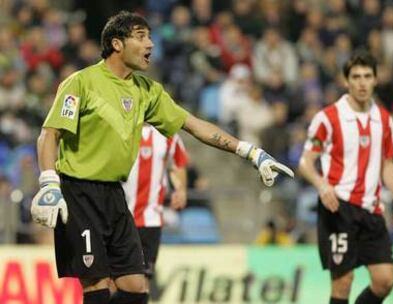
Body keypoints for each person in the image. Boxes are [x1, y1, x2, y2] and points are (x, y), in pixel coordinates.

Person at [29, 11, 294, 304]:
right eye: (141, 37)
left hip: (114, 196)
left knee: (135, 286)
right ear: (117, 44)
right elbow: (49, 134)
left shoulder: (147, 91)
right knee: (97, 287)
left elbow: (195, 126)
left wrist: (250, 152)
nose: (150, 44)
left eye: (150, 37)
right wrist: (49, 183)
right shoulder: (81, 83)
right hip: (79, 193)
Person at [298, 50, 393, 304]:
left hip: (371, 210)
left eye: (367, 76)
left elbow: (387, 164)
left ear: (375, 79)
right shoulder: (327, 118)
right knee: (343, 283)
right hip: (338, 208)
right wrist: (321, 184)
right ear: (346, 81)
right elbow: (305, 162)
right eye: (356, 77)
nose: (362, 82)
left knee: (385, 281)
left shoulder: (383, 118)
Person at [122, 124, 188, 288]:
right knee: (115, 281)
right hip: (120, 219)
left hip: (150, 220)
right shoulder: (120, 128)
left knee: (143, 283)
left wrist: (181, 189)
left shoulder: (168, 134)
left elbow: (178, 163)